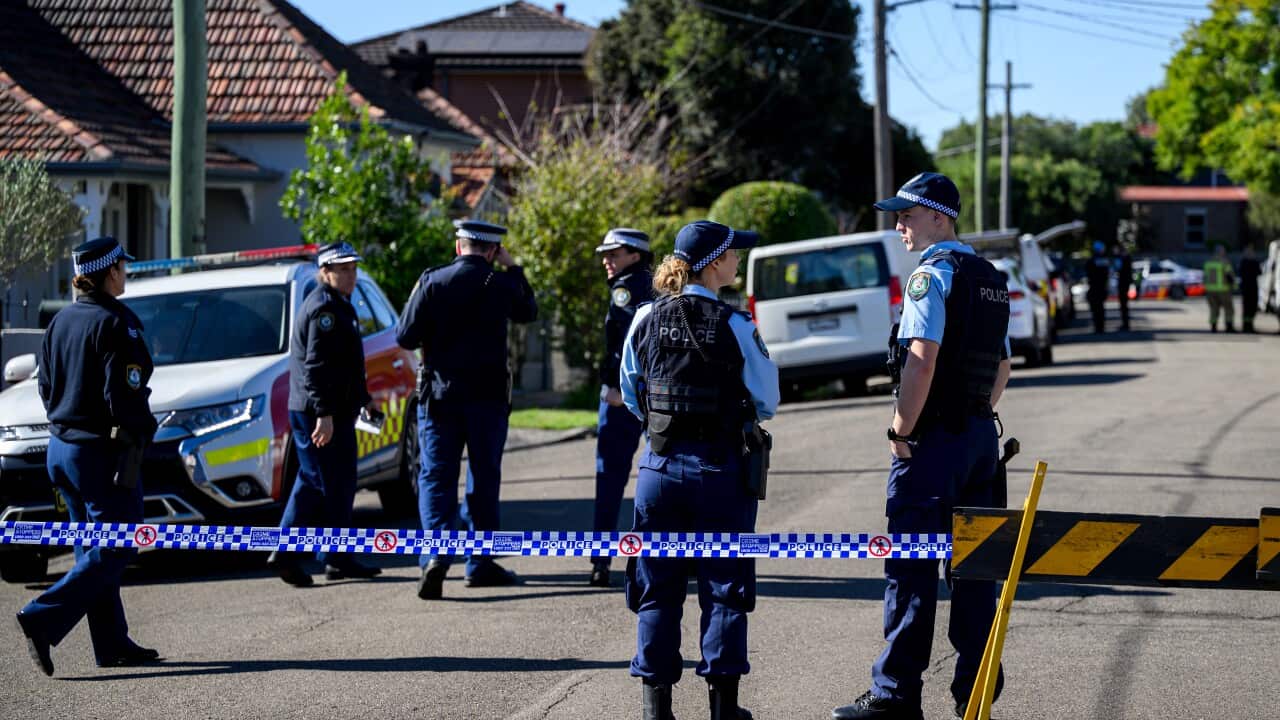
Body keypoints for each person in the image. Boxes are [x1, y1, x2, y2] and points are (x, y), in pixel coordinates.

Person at [833, 173, 1012, 720]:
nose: (899, 227)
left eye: (907, 216)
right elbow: (1002, 365)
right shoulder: (991, 278)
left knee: (911, 570)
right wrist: (974, 412)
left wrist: (901, 430)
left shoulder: (931, 276)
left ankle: (894, 697)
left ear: (939, 217)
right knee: (975, 571)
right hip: (979, 439)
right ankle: (974, 694)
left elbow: (921, 358)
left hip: (932, 444)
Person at [619, 220, 779, 720]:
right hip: (719, 470)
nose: (738, 261)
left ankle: (656, 710)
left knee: (656, 586)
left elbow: (632, 393)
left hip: (659, 467)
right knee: (725, 587)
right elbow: (768, 400)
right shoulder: (736, 325)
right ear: (713, 265)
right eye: (733, 254)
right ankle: (723, 709)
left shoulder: (644, 317)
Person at [15, 237, 160, 676]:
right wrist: (142, 432)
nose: (125, 273)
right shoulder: (117, 323)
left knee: (92, 549)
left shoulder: (60, 321)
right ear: (110, 272)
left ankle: (112, 642)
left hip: (62, 449)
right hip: (101, 453)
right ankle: (41, 617)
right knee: (118, 542)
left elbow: (45, 388)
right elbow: (124, 396)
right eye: (122, 267)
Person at [396, 220, 538, 600]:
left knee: (436, 478)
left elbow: (405, 335)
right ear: (493, 251)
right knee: (483, 478)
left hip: (440, 399)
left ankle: (435, 557)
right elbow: (529, 310)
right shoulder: (501, 283)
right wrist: (514, 268)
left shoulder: (432, 281)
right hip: (488, 401)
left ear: (458, 247)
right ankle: (479, 563)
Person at [268, 241, 382, 587]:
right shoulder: (324, 310)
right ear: (325, 272)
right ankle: (284, 552)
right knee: (315, 480)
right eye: (343, 269)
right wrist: (324, 414)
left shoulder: (340, 304)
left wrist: (364, 399)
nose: (351, 275)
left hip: (338, 410)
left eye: (353, 269)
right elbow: (315, 367)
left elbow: (347, 364)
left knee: (342, 482)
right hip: (317, 411)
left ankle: (336, 556)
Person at [590, 227, 655, 588]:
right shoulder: (660, 286)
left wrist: (622, 389)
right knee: (661, 480)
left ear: (635, 255)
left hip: (624, 399)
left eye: (613, 254)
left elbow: (628, 347)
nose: (606, 260)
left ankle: (601, 561)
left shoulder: (626, 289)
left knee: (610, 479)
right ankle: (673, 558)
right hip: (657, 400)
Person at [1203, 244, 1236, 333]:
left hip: (1210, 290)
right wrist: (1233, 286)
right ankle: (1229, 326)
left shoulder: (1208, 262)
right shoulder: (1224, 262)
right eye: (1223, 251)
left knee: (1213, 309)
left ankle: (1213, 327)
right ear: (1221, 252)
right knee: (1228, 308)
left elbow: (1205, 277)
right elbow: (1229, 276)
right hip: (1223, 290)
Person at [1084, 240, 1111, 334]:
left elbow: (1088, 273)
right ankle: (1101, 326)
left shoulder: (1091, 260)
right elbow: (1107, 274)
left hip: (1094, 287)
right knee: (1100, 308)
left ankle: (1098, 326)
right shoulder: (1104, 260)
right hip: (1101, 287)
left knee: (1095, 308)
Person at [1238, 243, 1262, 333]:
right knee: (1250, 307)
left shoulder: (1243, 262)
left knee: (1248, 308)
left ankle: (1246, 326)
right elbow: (1259, 272)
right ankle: (1249, 326)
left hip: (1246, 287)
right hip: (1251, 287)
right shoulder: (1253, 262)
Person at [1112, 242, 1133, 331]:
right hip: (1126, 283)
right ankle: (1125, 323)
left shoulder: (1121, 258)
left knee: (1123, 305)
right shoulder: (1127, 257)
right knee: (1124, 305)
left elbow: (1117, 268)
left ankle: (1125, 324)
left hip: (1122, 283)